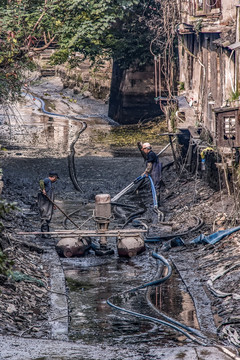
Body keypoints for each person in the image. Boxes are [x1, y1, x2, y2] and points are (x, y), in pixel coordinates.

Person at [37, 172, 59, 238]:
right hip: (44, 203)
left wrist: (53, 204)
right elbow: (41, 182)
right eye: (56, 178)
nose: (56, 180)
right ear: (54, 177)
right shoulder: (47, 180)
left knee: (48, 217)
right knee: (45, 217)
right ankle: (44, 234)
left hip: (49, 203)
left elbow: (51, 195)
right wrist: (43, 190)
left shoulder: (50, 184)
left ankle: (47, 233)